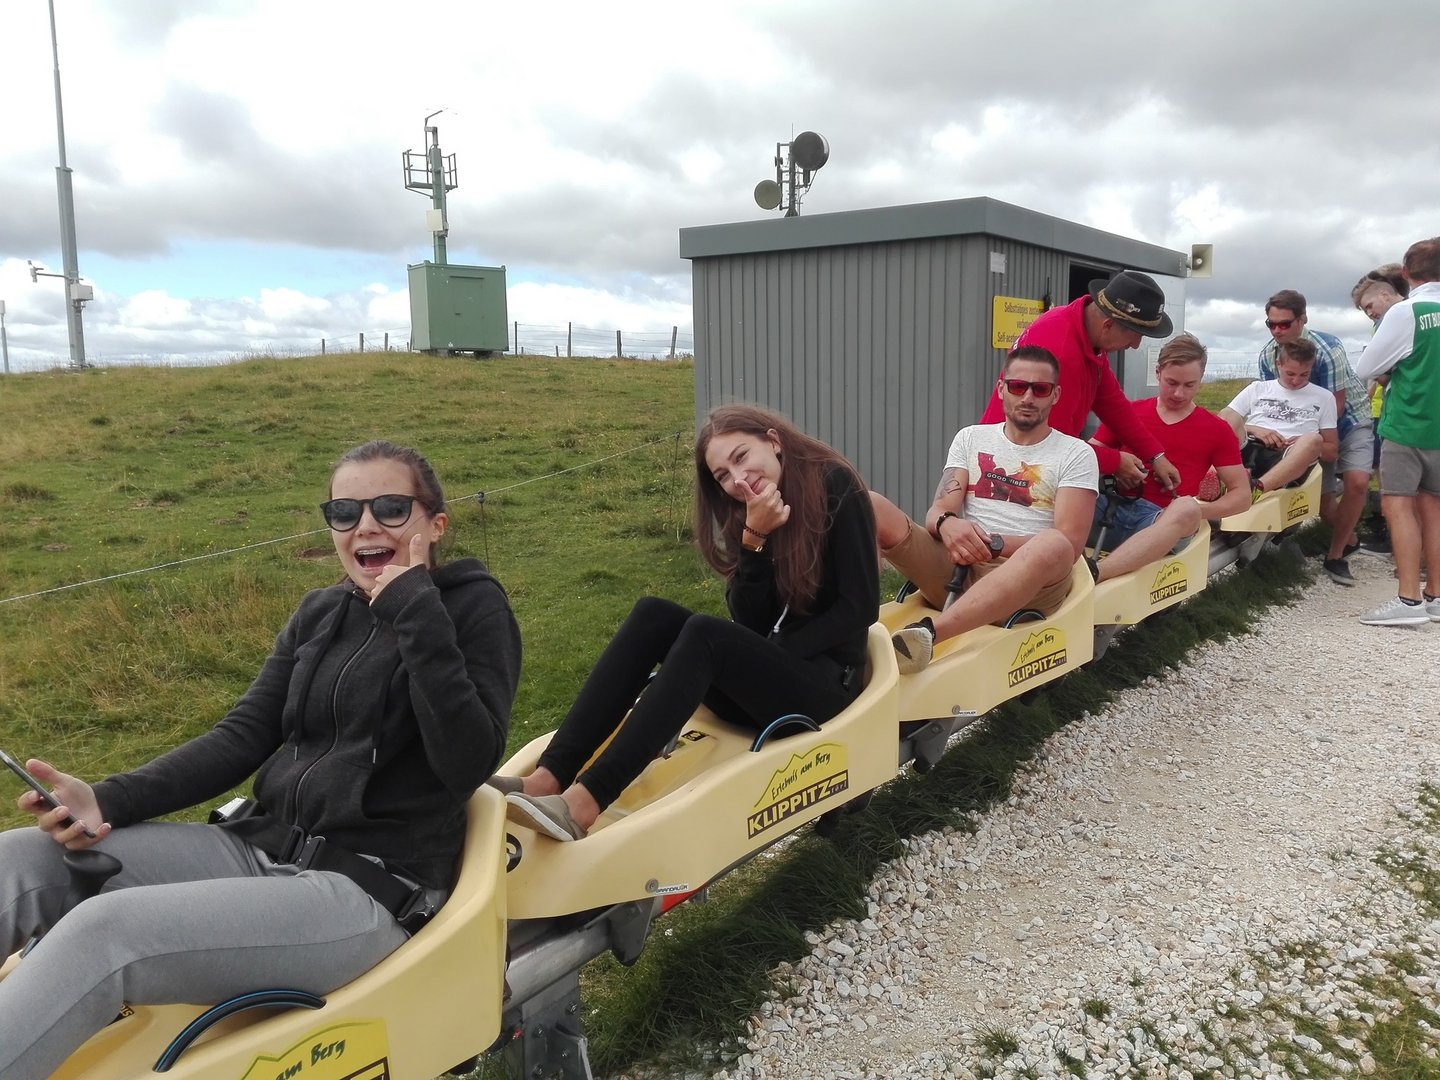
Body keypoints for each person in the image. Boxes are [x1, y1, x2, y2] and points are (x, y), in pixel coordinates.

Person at [0, 440, 522, 1079]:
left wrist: (414, 607)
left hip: (367, 891)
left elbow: (466, 760)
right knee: (20, 860)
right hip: (259, 849)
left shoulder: (470, 607)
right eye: (344, 512)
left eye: (389, 507)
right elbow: (243, 735)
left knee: (106, 934)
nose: (365, 526)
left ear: (435, 525)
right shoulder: (321, 613)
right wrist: (106, 799)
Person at [497, 404, 879, 842]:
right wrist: (754, 540)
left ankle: (582, 806)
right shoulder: (749, 509)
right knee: (652, 615)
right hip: (771, 684)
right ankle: (547, 778)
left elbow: (859, 608)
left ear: (773, 442)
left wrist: (775, 652)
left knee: (705, 634)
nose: (738, 479)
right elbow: (750, 619)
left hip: (826, 689)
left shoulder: (834, 485)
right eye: (723, 475)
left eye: (741, 457)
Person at [880, 346, 1098, 674]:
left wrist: (989, 544)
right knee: (869, 503)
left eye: (1040, 389)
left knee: (1053, 542)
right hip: (959, 570)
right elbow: (940, 508)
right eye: (1017, 386)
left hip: (1029, 584)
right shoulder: (970, 438)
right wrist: (948, 524)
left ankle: (927, 635)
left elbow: (1070, 544)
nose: (1028, 397)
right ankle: (844, 618)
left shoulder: (1076, 453)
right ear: (1001, 390)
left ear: (1055, 395)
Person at [980, 269, 1182, 495]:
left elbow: (1112, 403)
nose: (1135, 345)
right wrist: (1115, 462)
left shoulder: (1086, 333)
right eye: (1136, 335)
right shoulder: (1061, 354)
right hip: (1010, 473)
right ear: (1108, 325)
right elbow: (1050, 442)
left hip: (1034, 465)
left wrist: (1155, 455)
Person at [1087, 334, 1251, 582]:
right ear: (1158, 373)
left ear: (1201, 379)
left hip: (1161, 522)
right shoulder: (1129, 413)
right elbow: (1083, 458)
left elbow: (1242, 496)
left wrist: (1197, 512)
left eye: (1189, 385)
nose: (1178, 393)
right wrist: (1117, 463)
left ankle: (1096, 575)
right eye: (1171, 383)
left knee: (1186, 507)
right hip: (1112, 506)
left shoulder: (1217, 430)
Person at [1352, 236, 1440, 627]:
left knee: (1398, 506)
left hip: (1407, 423)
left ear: (1406, 273)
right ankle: (1436, 595)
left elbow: (1367, 367)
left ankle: (1409, 600)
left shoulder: (1406, 312)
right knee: (1434, 509)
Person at [1258, 289, 1372, 585]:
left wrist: (1310, 442)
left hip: (1349, 421)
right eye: (1271, 324)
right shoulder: (1268, 356)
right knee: (1321, 500)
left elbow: (1337, 404)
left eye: (1284, 324)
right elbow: (1273, 404)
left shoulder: (1328, 348)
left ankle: (1335, 555)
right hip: (1306, 431)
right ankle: (1350, 540)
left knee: (1357, 483)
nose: (1277, 330)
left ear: (1302, 320)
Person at [1222, 339, 1337, 496]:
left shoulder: (1324, 397)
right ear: (1278, 364)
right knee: (1228, 416)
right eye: (1290, 374)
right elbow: (1222, 421)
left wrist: (1304, 444)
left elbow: (1331, 451)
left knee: (1313, 439)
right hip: (1249, 446)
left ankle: (1256, 489)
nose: (1296, 381)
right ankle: (1216, 477)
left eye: (1304, 374)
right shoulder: (1258, 388)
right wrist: (1254, 429)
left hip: (1288, 456)